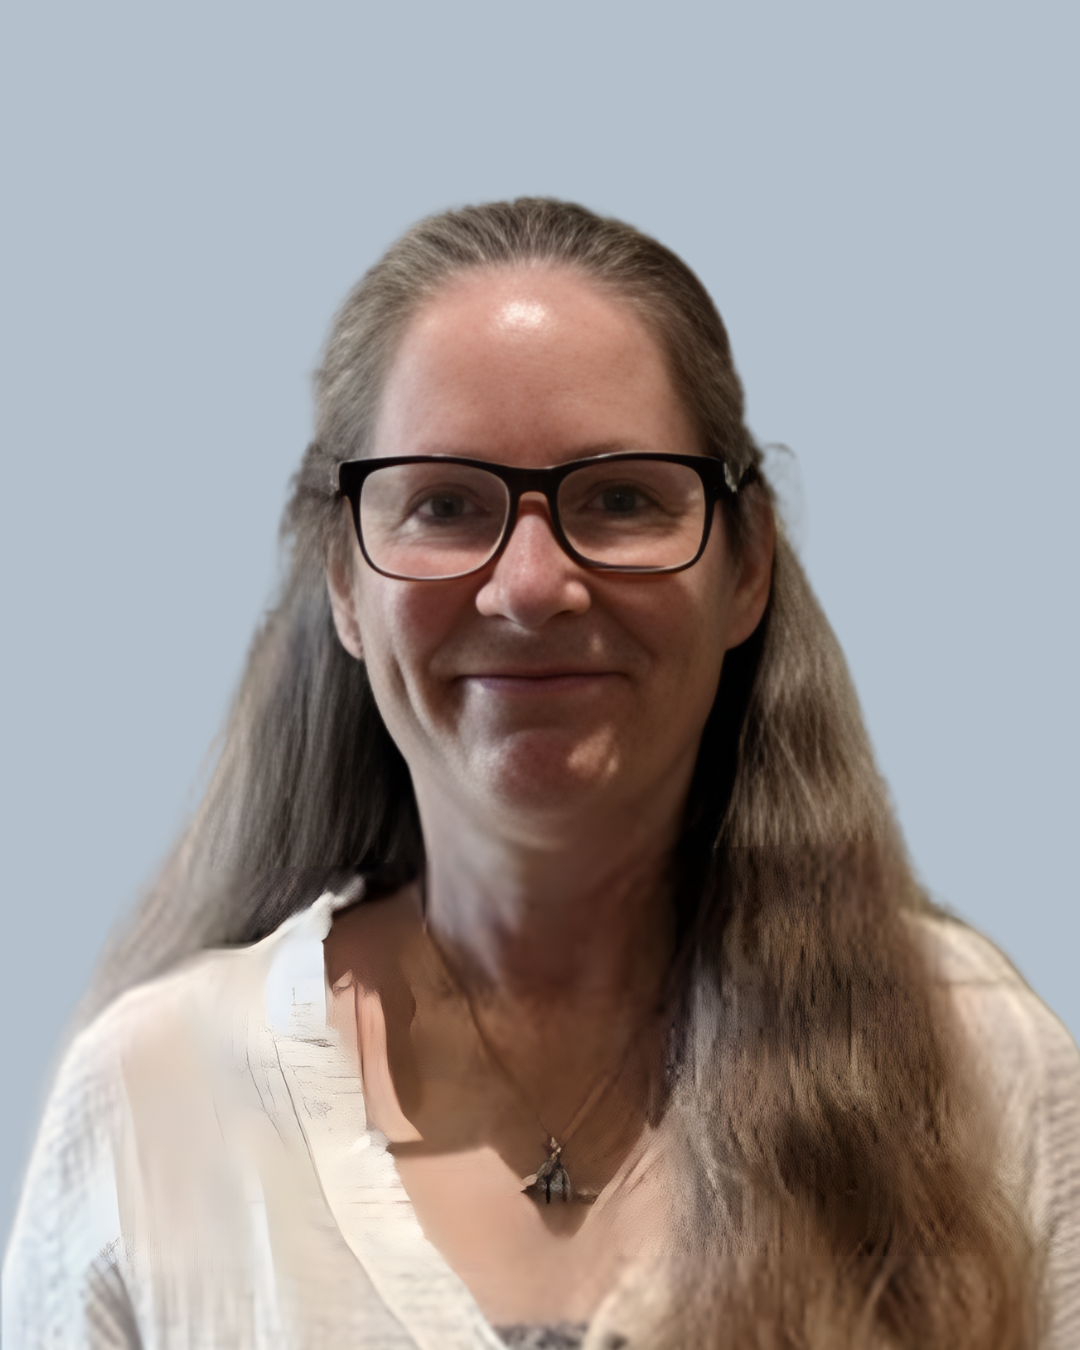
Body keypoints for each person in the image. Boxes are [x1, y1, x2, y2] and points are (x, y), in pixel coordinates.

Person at [4, 198, 1079, 1350]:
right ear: (343, 586)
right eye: (446, 505)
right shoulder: (157, 1101)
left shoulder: (972, 1066)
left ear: (748, 565)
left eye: (619, 500)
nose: (530, 587)